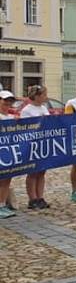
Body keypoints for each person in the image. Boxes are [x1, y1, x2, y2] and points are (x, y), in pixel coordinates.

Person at [20, 85, 51, 210]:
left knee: (42, 171)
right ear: (37, 96)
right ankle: (32, 198)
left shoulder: (43, 108)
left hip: (43, 142)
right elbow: (25, 127)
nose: (45, 97)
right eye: (43, 95)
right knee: (32, 172)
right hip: (32, 143)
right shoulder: (27, 110)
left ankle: (40, 196)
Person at [0, 90, 16, 218]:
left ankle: (2, 203)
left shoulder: (11, 117)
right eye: (5, 100)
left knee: (6, 179)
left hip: (9, 152)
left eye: (10, 101)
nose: (8, 103)